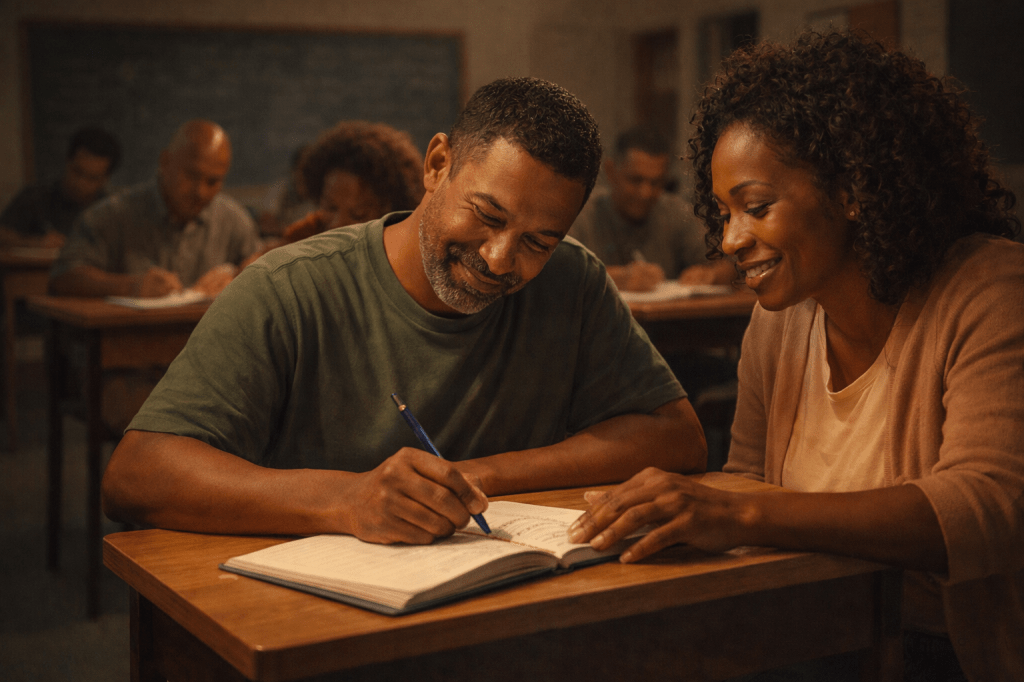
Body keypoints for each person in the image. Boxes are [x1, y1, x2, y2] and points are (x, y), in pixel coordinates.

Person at [568, 32, 1023, 681]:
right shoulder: (777, 325)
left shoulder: (991, 290)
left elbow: (988, 509)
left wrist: (732, 509)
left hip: (940, 652)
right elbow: (750, 479)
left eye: (756, 207)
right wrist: (663, 506)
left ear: (852, 188)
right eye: (722, 213)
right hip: (815, 629)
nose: (729, 240)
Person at [100, 77, 706, 546]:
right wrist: (347, 500)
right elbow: (137, 474)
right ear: (436, 164)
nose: (499, 260)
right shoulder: (289, 288)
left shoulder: (573, 280)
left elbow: (676, 437)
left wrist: (482, 476)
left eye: (538, 242)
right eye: (488, 216)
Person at [48, 119, 261, 299]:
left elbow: (259, 275)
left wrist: (240, 278)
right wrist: (130, 286)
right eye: (191, 176)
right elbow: (63, 276)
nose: (201, 192)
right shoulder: (110, 216)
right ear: (165, 162)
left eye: (213, 181)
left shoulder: (234, 220)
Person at [569, 126, 734, 292]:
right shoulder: (580, 214)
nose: (645, 193)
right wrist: (613, 278)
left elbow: (730, 267)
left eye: (656, 183)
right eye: (635, 180)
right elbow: (556, 274)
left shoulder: (676, 212)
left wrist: (710, 275)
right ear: (610, 171)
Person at [281, 120, 424, 243]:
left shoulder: (407, 256)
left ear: (390, 213)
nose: (337, 224)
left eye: (358, 214)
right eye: (330, 208)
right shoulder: (300, 241)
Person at [0, 127, 121, 248]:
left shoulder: (111, 210)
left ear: (106, 179)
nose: (81, 183)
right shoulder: (35, 197)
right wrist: (34, 242)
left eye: (92, 178)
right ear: (67, 162)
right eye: (77, 171)